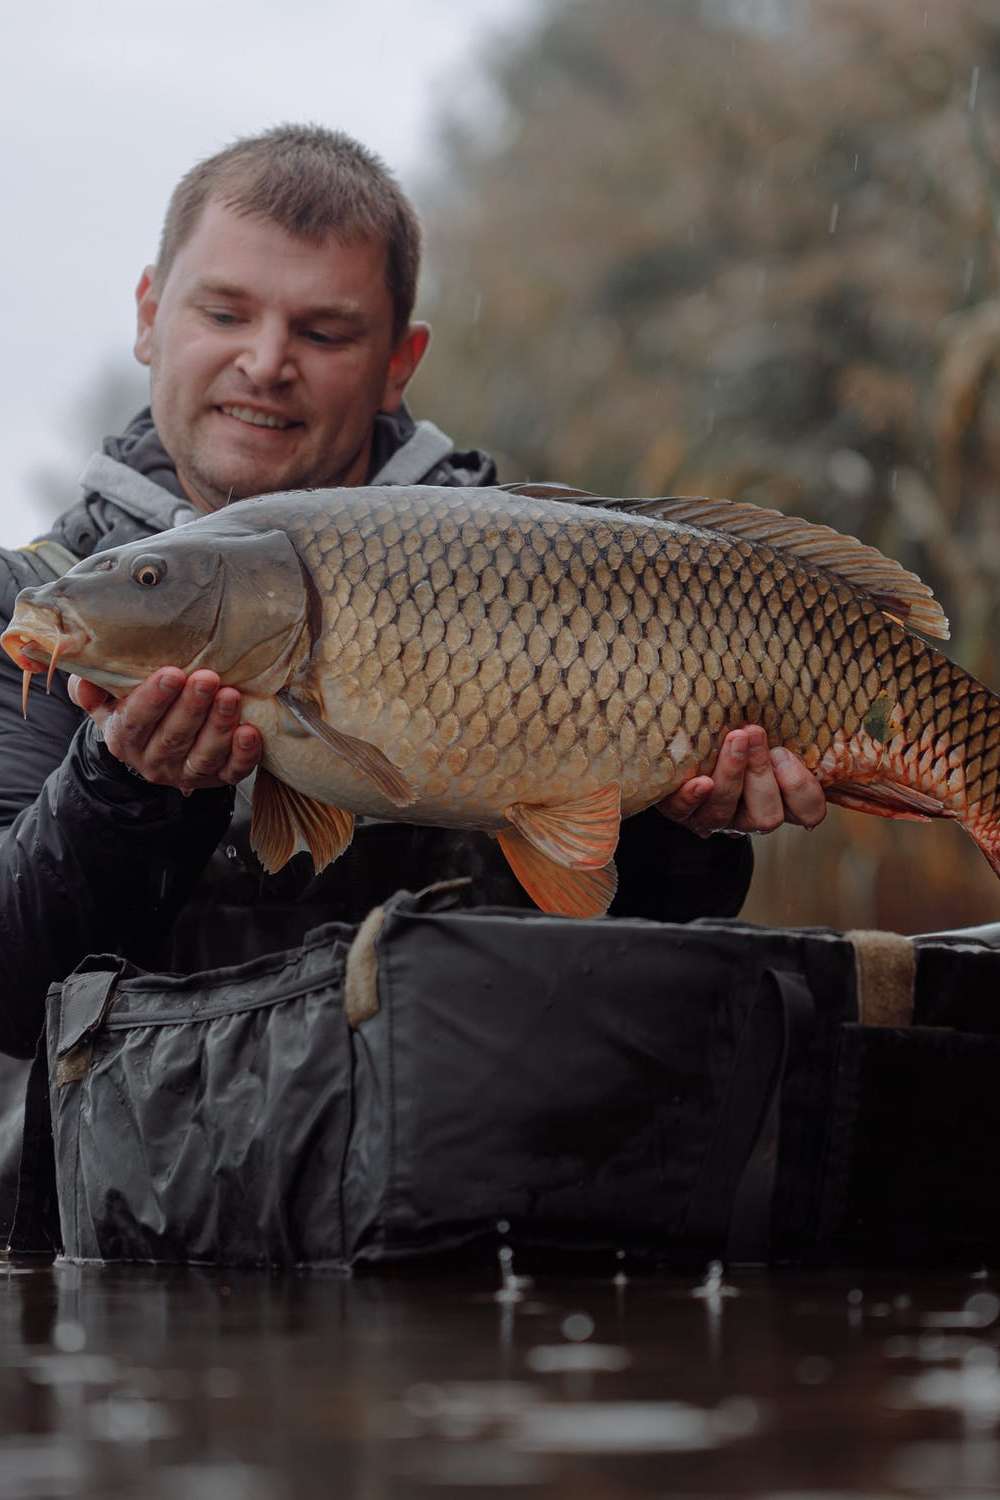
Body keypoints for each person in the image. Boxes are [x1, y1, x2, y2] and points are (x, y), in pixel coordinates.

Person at [0, 123, 826, 1070]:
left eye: (323, 330)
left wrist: (688, 833)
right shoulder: (38, 603)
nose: (267, 362)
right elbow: (13, 995)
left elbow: (639, 948)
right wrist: (123, 793)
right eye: (224, 314)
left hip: (482, 1182)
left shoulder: (538, 566)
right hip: (137, 1204)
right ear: (149, 314)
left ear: (399, 359)